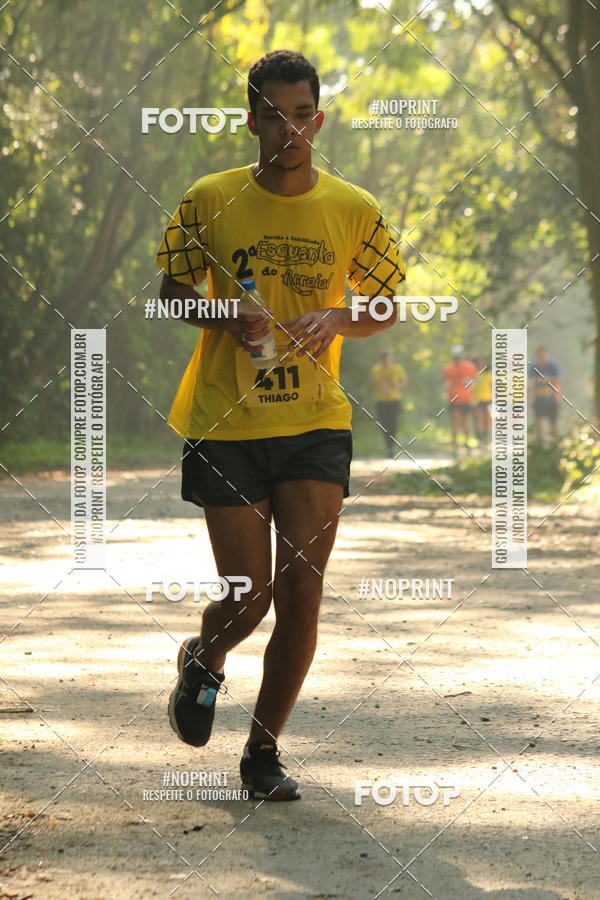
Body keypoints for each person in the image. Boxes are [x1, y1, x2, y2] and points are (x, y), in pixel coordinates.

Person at [154, 50, 405, 800]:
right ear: (252, 120)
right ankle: (203, 658)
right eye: (273, 115)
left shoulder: (354, 208)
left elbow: (387, 303)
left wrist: (341, 315)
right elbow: (170, 291)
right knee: (249, 593)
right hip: (225, 423)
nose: (289, 130)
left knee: (301, 589)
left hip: (316, 423)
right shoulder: (209, 197)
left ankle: (263, 755)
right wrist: (224, 312)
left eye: (303, 116)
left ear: (318, 121)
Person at [369, 349, 407, 455]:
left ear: (390, 358)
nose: (386, 361)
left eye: (387, 358)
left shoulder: (397, 369)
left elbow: (403, 383)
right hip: (381, 401)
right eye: (384, 359)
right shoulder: (377, 370)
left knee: (393, 423)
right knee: (384, 424)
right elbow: (374, 383)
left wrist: (397, 385)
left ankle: (392, 446)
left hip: (394, 400)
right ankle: (388, 447)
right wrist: (380, 385)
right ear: (381, 360)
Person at [443, 345, 477, 453]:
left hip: (465, 398)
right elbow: (446, 383)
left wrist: (470, 387)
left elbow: (474, 381)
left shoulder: (469, 366)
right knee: (455, 422)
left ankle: (466, 443)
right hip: (454, 398)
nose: (457, 358)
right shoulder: (448, 368)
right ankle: (455, 444)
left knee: (465, 421)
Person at [528, 345, 561, 440]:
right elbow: (530, 381)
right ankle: (540, 444)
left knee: (553, 424)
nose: (540, 356)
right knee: (538, 423)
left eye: (542, 354)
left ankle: (555, 443)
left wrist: (546, 379)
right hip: (538, 399)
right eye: (538, 354)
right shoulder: (534, 366)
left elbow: (559, 379)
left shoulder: (553, 365)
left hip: (552, 399)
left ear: (546, 354)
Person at [472, 356, 492, 446]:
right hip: (477, 399)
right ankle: (480, 439)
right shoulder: (474, 374)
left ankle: (488, 438)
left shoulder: (489, 374)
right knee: (479, 419)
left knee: (488, 419)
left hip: (488, 399)